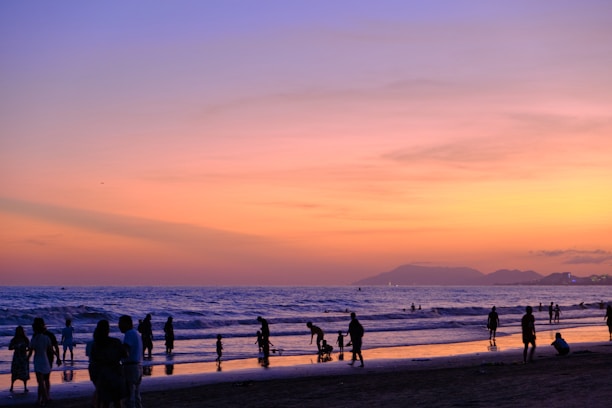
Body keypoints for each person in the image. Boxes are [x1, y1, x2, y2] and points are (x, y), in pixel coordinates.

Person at [90, 319, 126, 408]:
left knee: (105, 402)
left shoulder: (96, 345)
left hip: (103, 376)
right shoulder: (115, 342)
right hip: (116, 374)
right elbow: (125, 355)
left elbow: (94, 361)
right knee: (117, 402)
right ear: (108, 330)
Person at [119, 315, 143, 408]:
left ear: (127, 323)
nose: (119, 326)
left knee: (129, 397)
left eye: (120, 323)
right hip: (138, 366)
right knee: (136, 396)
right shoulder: (136, 333)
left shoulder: (129, 334)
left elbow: (126, 351)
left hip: (130, 367)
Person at [28, 318, 52, 406]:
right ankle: (46, 397)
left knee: (40, 381)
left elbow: (30, 352)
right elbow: (50, 350)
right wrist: (57, 357)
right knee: (45, 380)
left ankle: (44, 398)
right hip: (45, 359)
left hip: (37, 360)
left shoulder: (34, 339)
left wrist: (26, 360)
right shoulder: (46, 338)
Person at [9, 325, 30, 393]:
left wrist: (25, 349)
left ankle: (25, 386)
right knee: (15, 372)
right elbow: (10, 348)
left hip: (23, 356)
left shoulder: (25, 339)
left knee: (24, 372)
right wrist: (15, 346)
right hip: (17, 357)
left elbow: (29, 347)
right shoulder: (14, 339)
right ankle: (12, 386)